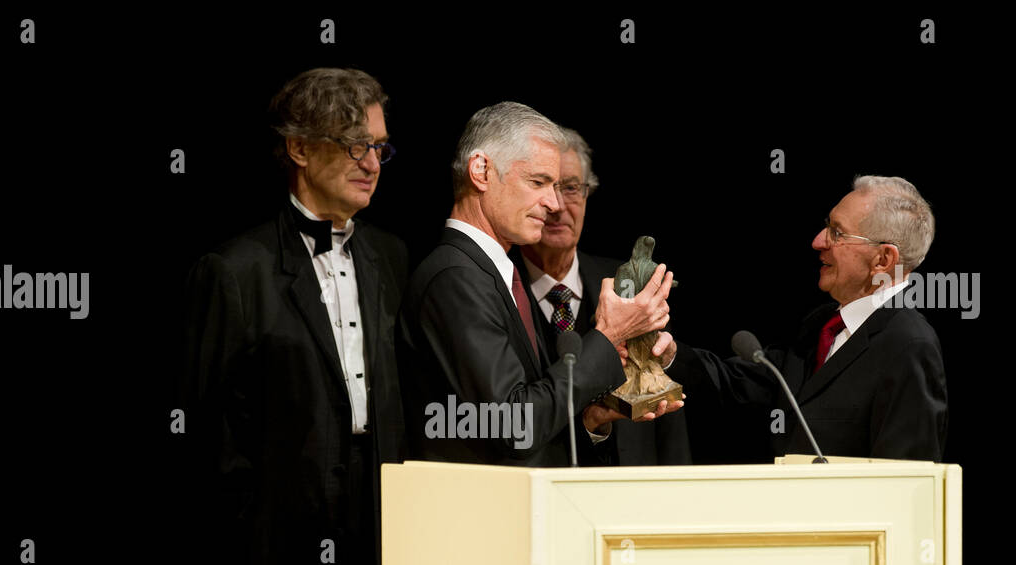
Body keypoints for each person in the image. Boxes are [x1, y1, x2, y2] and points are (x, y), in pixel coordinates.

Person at [182, 67, 406, 565]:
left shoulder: (393, 262)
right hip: (271, 554)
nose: (372, 162)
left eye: (379, 146)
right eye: (353, 145)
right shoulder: (235, 269)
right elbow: (207, 434)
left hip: (377, 536)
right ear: (299, 149)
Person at [396, 102, 676, 467]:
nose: (554, 203)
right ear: (481, 171)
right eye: (538, 182)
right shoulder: (455, 278)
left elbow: (522, 415)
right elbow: (513, 426)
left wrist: (590, 418)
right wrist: (608, 336)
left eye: (559, 186)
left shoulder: (490, 271)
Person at [664, 175, 948, 461]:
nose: (818, 241)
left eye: (837, 233)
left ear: (883, 261)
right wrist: (667, 354)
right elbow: (742, 385)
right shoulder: (821, 324)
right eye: (828, 226)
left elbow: (907, 481)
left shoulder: (909, 346)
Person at [513, 128, 690, 465]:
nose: (558, 206)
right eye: (545, 187)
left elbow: (669, 425)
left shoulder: (631, 285)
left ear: (588, 193)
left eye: (571, 188)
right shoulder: (502, 289)